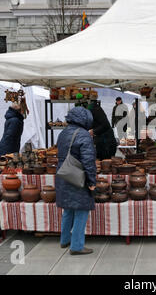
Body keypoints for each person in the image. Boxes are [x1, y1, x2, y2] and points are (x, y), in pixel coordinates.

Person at [55, 106, 97, 255]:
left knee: (68, 209)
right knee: (82, 210)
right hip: (78, 176)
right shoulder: (84, 135)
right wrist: (92, 181)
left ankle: (64, 240)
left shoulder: (63, 133)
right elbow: (88, 161)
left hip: (63, 174)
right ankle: (77, 246)